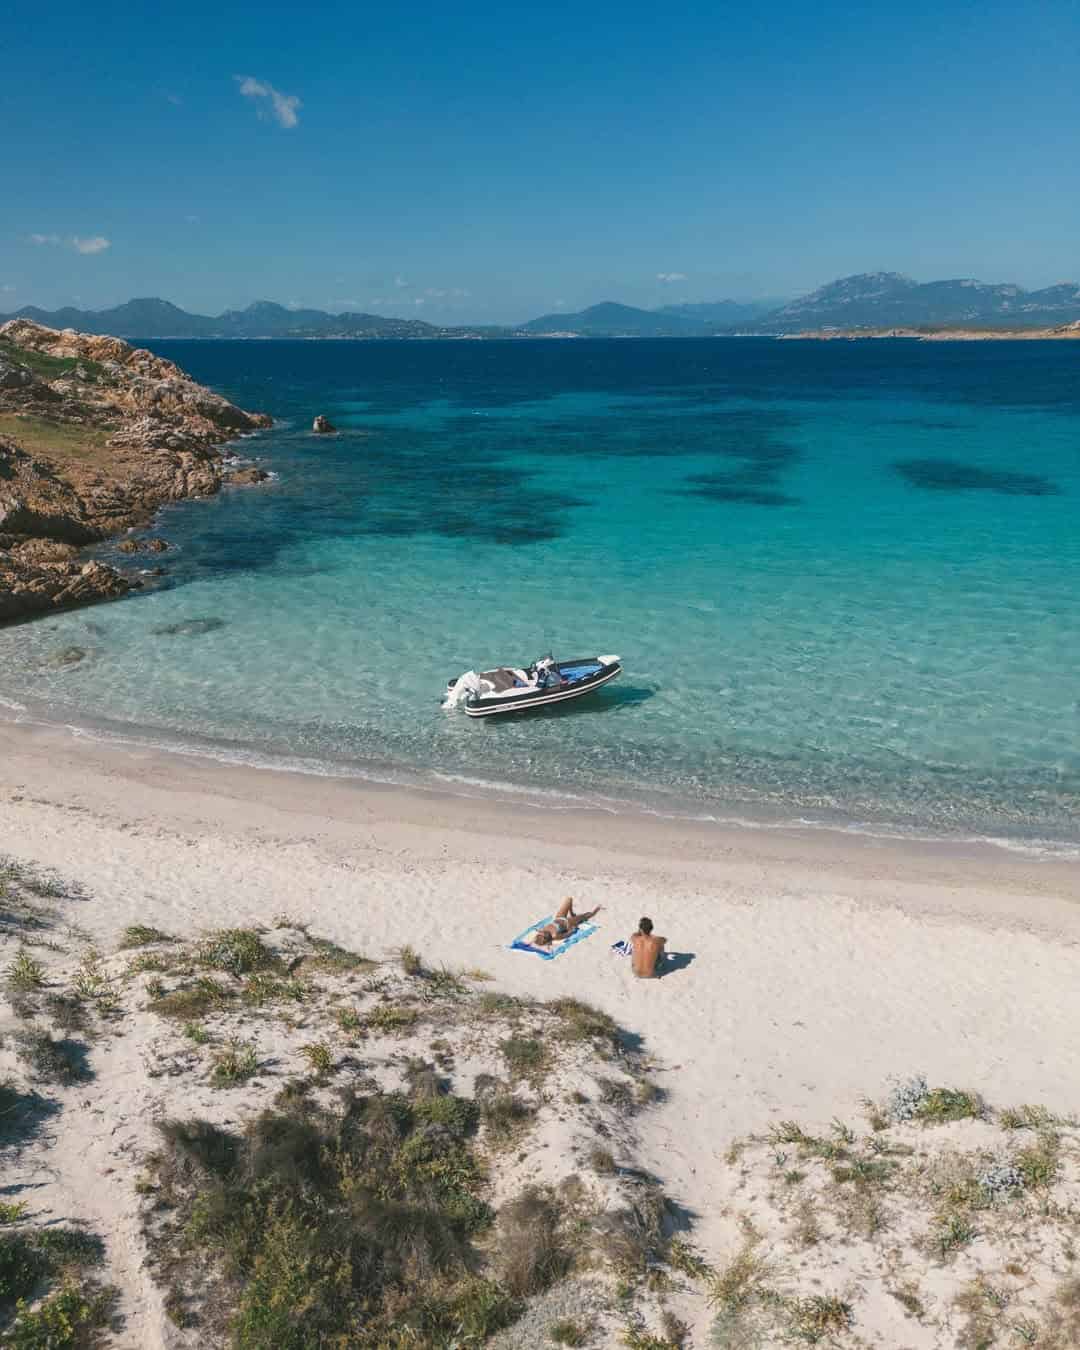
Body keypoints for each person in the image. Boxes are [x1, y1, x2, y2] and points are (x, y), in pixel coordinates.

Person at [531, 896, 602, 947]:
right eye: (542, 933)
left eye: (541, 933)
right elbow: (568, 934)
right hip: (568, 923)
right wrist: (573, 929)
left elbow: (536, 939)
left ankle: (572, 913)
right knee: (586, 916)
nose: (542, 932)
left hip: (558, 917)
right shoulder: (555, 936)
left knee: (569, 899)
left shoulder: (542, 933)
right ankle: (597, 909)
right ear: (546, 937)